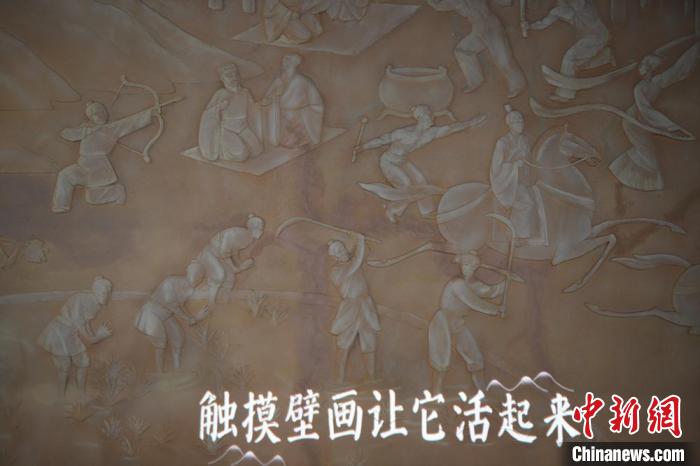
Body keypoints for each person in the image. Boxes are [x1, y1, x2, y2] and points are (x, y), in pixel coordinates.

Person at [358, 105, 487, 223]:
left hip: (402, 161)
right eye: (428, 116)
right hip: (389, 162)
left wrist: (470, 122)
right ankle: (392, 209)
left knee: (420, 181)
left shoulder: (430, 133)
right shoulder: (403, 133)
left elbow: (451, 128)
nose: (432, 119)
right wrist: (363, 147)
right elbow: (381, 140)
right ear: (421, 118)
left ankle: (427, 211)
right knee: (407, 187)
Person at [610, 43, 700, 191]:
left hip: (644, 120)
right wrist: (670, 127)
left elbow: (677, 71)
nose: (647, 72)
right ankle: (645, 182)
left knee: (647, 151)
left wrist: (694, 50)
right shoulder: (640, 88)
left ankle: (638, 179)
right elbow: (645, 110)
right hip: (634, 122)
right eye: (647, 69)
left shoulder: (656, 81)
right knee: (648, 152)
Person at [52, 101, 158, 213]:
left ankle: (117, 191)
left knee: (91, 197)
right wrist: (86, 131)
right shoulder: (86, 127)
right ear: (91, 118)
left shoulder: (112, 128)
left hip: (98, 166)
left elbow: (131, 122)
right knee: (65, 175)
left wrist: (150, 113)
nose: (99, 116)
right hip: (83, 164)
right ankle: (61, 205)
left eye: (101, 113)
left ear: (105, 113)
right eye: (95, 115)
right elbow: (66, 134)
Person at [428, 252, 505, 394]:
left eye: (468, 265)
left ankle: (482, 392)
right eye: (463, 264)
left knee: (474, 357)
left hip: (458, 323)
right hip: (443, 322)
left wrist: (504, 283)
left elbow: (490, 292)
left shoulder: (473, 284)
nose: (465, 267)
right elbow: (474, 302)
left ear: (475, 267)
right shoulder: (457, 284)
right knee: (441, 360)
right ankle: (436, 395)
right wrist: (496, 309)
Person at [426, 0, 526, 98]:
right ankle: (475, 80)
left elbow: (505, 2)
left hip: (492, 27)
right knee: (462, 51)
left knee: (503, 60)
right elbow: (439, 6)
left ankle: (517, 84)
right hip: (479, 29)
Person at [37, 276, 113, 396]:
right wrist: (98, 336)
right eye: (103, 293)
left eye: (108, 293)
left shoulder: (95, 304)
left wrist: (96, 336)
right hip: (59, 333)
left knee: (83, 362)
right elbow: (81, 327)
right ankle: (60, 397)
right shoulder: (82, 299)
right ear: (96, 291)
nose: (106, 296)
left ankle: (81, 395)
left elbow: (86, 324)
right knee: (64, 367)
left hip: (70, 334)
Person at [525, 0, 613, 101]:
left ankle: (565, 95)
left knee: (570, 57)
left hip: (598, 35)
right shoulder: (559, 10)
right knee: (575, 64)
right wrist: (529, 26)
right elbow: (543, 24)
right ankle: (606, 56)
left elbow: (578, 6)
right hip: (588, 38)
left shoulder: (582, 4)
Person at [134, 262, 209, 372]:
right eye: (198, 276)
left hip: (166, 315)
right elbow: (172, 305)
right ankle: (160, 374)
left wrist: (193, 318)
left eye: (201, 278)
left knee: (178, 337)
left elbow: (180, 307)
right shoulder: (170, 282)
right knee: (160, 342)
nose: (199, 280)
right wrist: (191, 318)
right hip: (152, 313)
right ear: (191, 273)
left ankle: (177, 370)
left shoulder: (189, 290)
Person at [328, 233, 381, 383]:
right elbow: (357, 262)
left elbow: (363, 255)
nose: (342, 252)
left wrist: (360, 242)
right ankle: (339, 379)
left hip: (365, 307)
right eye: (338, 251)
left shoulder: (352, 261)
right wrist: (360, 241)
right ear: (335, 256)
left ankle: (371, 378)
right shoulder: (337, 271)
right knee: (344, 344)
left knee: (369, 342)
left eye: (342, 248)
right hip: (350, 309)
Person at [490, 105, 544, 242]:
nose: (521, 124)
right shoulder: (502, 142)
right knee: (527, 204)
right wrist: (513, 165)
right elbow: (496, 167)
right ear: (510, 124)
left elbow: (529, 159)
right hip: (508, 183)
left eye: (522, 121)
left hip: (523, 180)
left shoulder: (524, 140)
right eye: (517, 122)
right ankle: (516, 236)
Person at [198, 63, 263, 162]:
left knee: (257, 151)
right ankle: (222, 148)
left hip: (243, 128)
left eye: (235, 75)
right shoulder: (221, 93)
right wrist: (219, 107)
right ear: (223, 79)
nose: (234, 78)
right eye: (229, 76)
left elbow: (253, 108)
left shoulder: (245, 92)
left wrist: (263, 104)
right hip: (228, 129)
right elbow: (207, 114)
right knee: (241, 155)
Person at [197, 214, 265, 305]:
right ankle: (211, 303)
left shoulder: (248, 239)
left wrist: (240, 265)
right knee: (219, 274)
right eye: (260, 228)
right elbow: (224, 251)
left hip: (221, 257)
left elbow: (234, 252)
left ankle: (224, 304)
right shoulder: (237, 233)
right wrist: (235, 267)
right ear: (253, 228)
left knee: (230, 279)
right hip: (210, 254)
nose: (261, 231)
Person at [262, 54, 324, 149]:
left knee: (289, 121)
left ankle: (299, 136)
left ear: (293, 64)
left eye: (287, 60)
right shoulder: (279, 80)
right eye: (284, 60)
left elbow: (315, 102)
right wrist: (273, 97)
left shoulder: (301, 81)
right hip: (280, 113)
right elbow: (267, 96)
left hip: (299, 114)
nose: (284, 62)